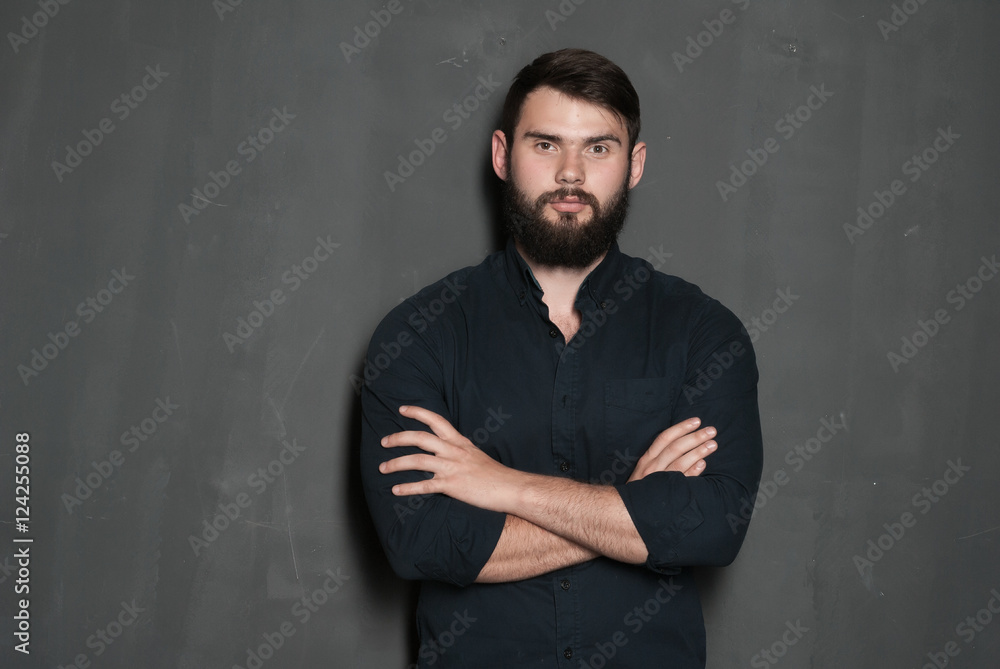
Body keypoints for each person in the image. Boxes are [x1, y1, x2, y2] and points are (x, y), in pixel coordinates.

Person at [360, 48, 763, 668]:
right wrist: (633, 503)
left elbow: (711, 526)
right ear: (502, 155)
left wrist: (505, 486)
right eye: (546, 145)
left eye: (599, 148)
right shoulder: (420, 333)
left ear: (635, 164)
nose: (571, 174)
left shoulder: (704, 333)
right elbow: (422, 542)